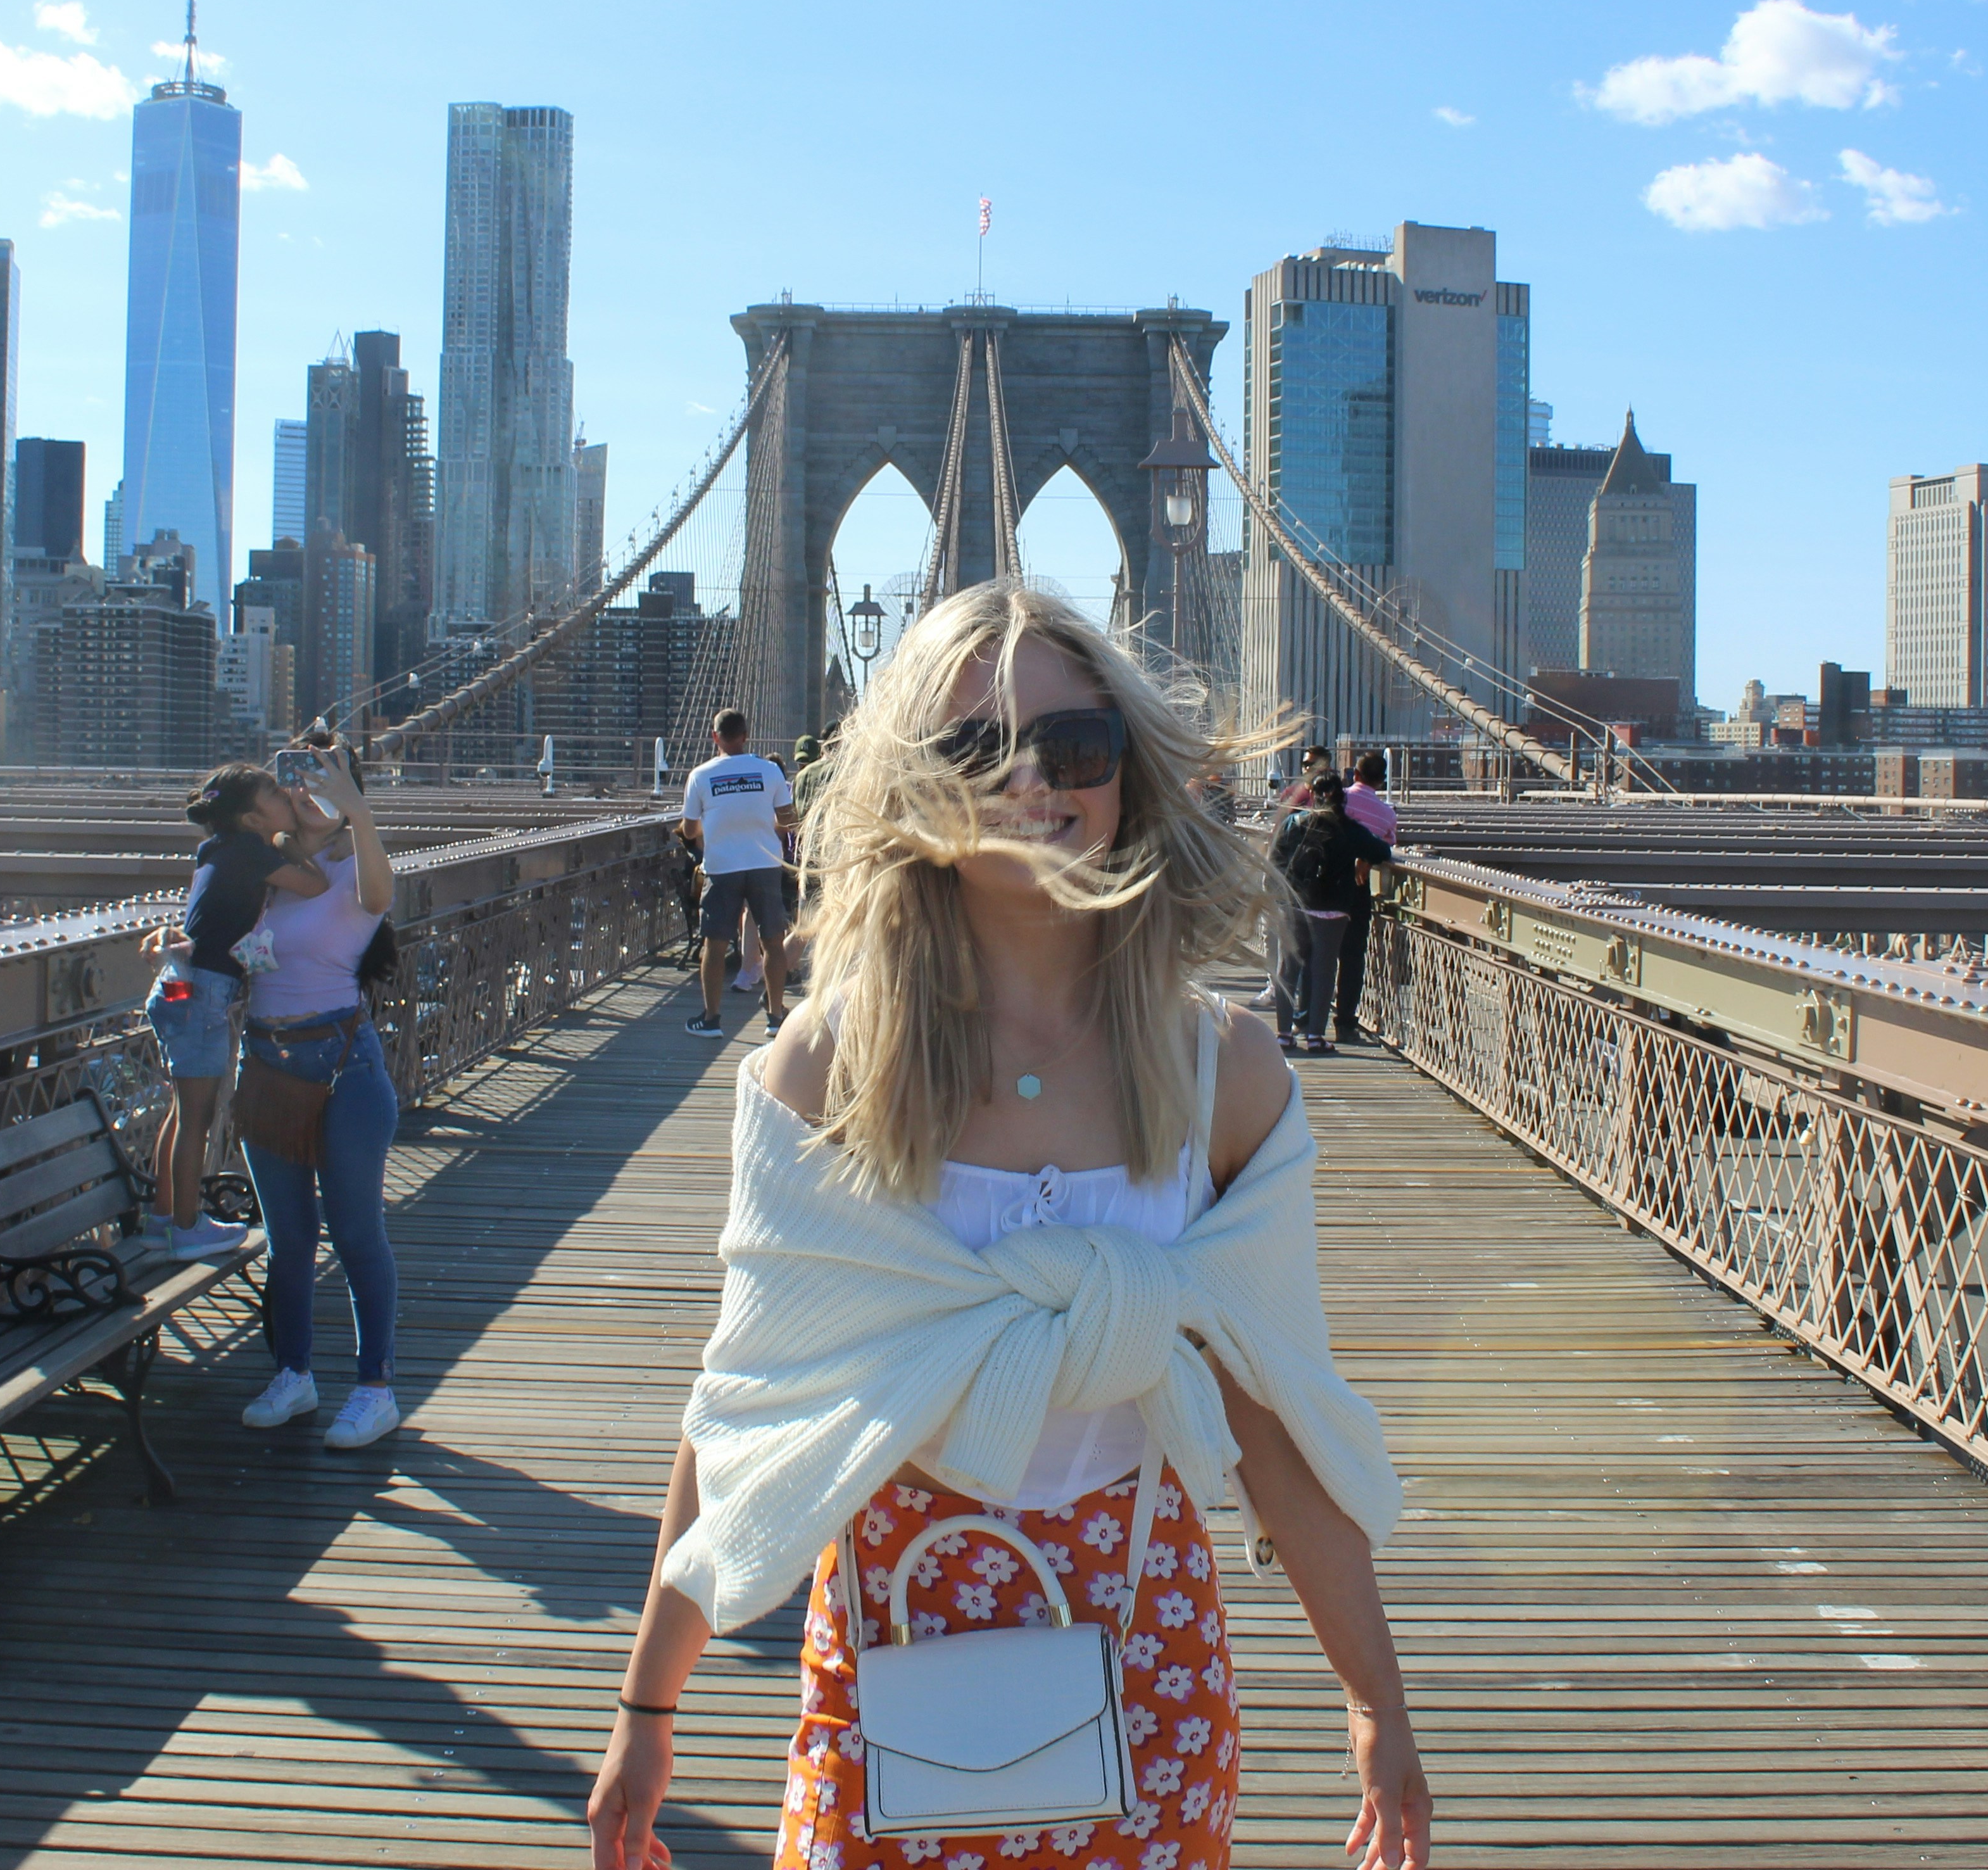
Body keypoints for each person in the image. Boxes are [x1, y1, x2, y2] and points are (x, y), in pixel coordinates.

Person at [589, 581, 1431, 1870]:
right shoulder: (830, 1069)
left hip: (1146, 1639)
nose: (1030, 778)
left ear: (1127, 771)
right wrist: (649, 1709)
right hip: (892, 1627)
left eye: (1073, 745)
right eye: (972, 748)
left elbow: (1276, 1417)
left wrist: (1378, 1707)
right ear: (909, 784)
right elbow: (748, 1398)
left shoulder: (1226, 1075)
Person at [234, 740, 405, 1451]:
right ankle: (294, 1373)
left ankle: (375, 1389)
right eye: (296, 778)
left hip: (343, 1069)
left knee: (357, 1233)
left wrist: (357, 808)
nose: (306, 791)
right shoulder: (261, 873)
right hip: (266, 1064)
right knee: (288, 1241)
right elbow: (231, 945)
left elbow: (380, 896)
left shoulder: (352, 870)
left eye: (324, 782)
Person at [142, 765, 329, 1258]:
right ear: (251, 818)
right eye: (273, 791)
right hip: (204, 992)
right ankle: (187, 1229)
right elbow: (315, 885)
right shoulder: (252, 852)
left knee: (182, 1113)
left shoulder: (218, 849)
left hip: (179, 986)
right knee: (198, 1118)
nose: (284, 794)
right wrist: (291, 841)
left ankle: (162, 1216)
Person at [679, 708, 798, 1040]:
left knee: (714, 944)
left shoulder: (700, 776)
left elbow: (689, 831)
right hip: (765, 865)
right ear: (746, 736)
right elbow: (788, 821)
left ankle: (711, 1019)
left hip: (721, 868)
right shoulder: (770, 772)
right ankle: (775, 1018)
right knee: (773, 942)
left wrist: (716, 820)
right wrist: (760, 825)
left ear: (714, 737)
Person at [1271, 771, 1393, 1055]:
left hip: (1294, 904)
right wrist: (1363, 859)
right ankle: (1315, 1037)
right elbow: (1382, 851)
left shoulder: (1294, 823)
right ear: (1342, 796)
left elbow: (1276, 859)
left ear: (1312, 795)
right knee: (1324, 971)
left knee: (1288, 969)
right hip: (1332, 908)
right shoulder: (1350, 829)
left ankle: (1283, 1035)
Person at [1334, 750, 1401, 1045]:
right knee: (1352, 957)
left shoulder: (1340, 799)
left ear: (1355, 775)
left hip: (1323, 883)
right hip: (1357, 888)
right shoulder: (1387, 813)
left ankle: (1305, 1016)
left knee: (1314, 951)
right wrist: (1366, 857)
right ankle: (1346, 1023)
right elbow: (1384, 845)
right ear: (1382, 781)